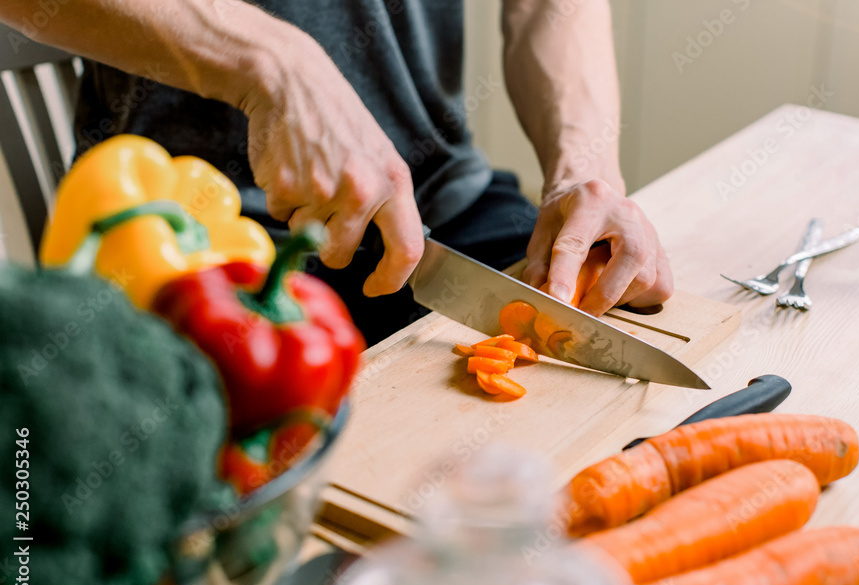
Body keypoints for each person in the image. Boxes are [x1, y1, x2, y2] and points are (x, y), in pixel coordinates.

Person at [1, 0, 673, 343]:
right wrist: (271, 64)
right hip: (178, 244)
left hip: (443, 219)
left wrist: (584, 169)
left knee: (618, 396)